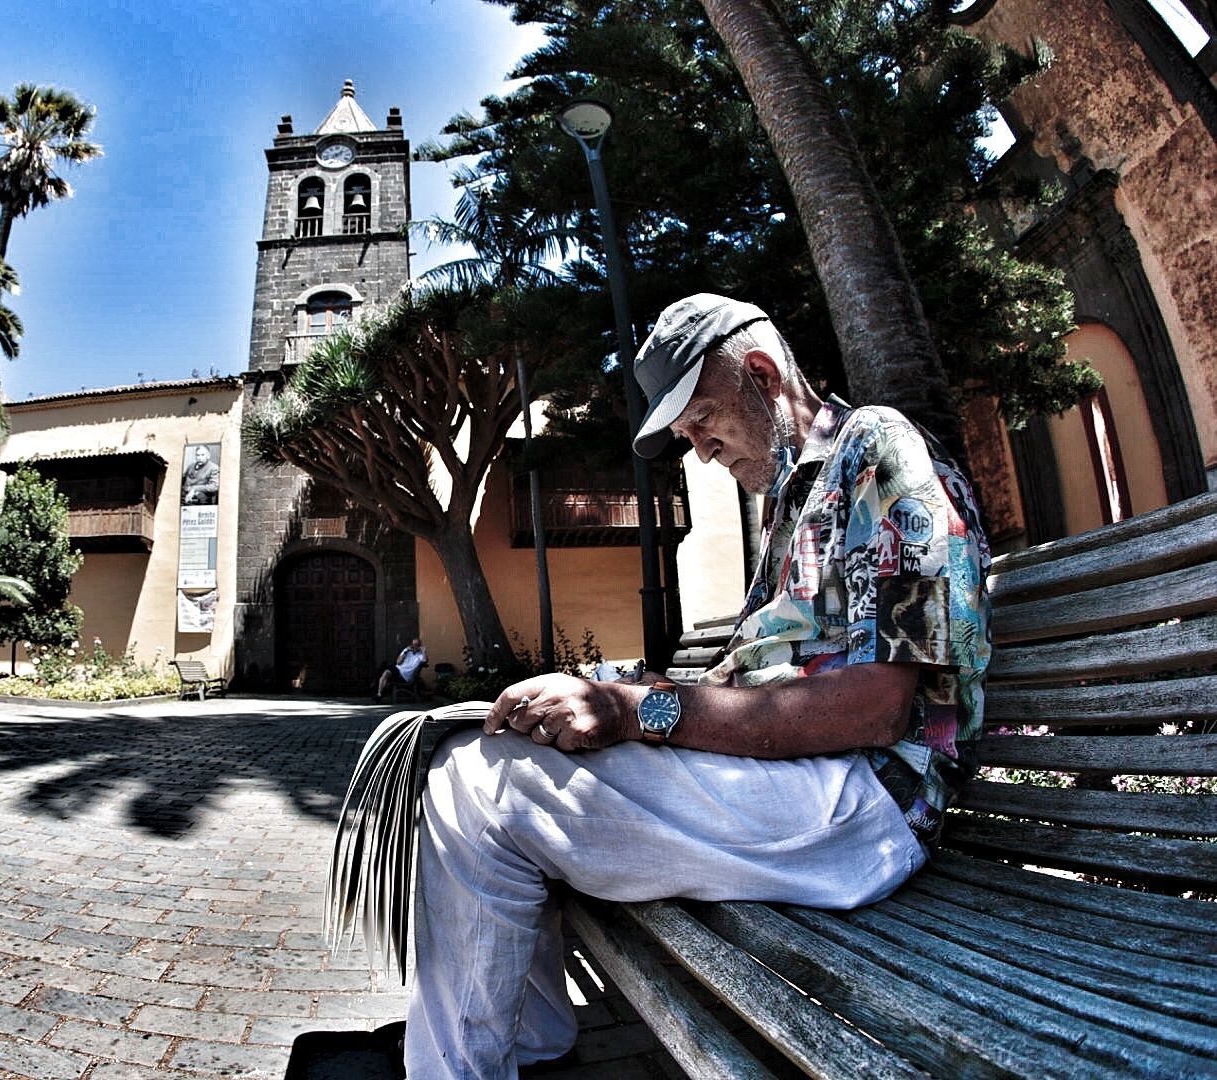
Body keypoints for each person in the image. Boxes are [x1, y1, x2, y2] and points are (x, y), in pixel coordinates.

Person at [405, 294, 992, 1079]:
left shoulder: (878, 448)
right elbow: (763, 675)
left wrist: (638, 708)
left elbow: (878, 705)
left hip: (870, 801)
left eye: (705, 420)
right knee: (472, 758)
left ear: (762, 374)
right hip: (791, 781)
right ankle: (520, 1039)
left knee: (487, 788)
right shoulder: (795, 498)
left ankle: (470, 1065)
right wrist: (606, 691)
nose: (704, 452)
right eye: (688, 436)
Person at [376, 637, 427, 702]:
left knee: (384, 672)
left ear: (420, 646)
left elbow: (424, 661)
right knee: (385, 672)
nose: (414, 647)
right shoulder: (407, 651)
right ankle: (379, 694)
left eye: (416, 645)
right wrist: (405, 652)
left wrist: (424, 651)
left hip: (404, 676)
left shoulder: (420, 655)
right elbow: (398, 662)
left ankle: (380, 693)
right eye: (413, 645)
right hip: (398, 670)